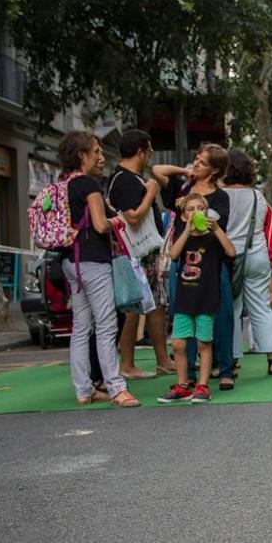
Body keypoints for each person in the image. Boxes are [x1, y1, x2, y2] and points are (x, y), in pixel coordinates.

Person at [56, 132, 138, 407]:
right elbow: (101, 225)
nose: (101, 158)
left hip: (70, 261)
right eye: (97, 152)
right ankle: (116, 387)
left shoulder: (62, 184)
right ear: (82, 155)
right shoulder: (89, 184)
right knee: (106, 325)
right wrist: (117, 221)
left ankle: (83, 389)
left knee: (81, 327)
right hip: (93, 260)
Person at [152, 144, 236, 389]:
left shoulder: (219, 197)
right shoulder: (183, 187)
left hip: (211, 261)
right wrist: (186, 172)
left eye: (202, 162)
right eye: (196, 160)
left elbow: (215, 228)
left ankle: (226, 367)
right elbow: (157, 169)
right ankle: (186, 371)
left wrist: (192, 209)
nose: (196, 164)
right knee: (181, 311)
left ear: (215, 170)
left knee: (221, 313)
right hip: (184, 262)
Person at [106, 129, 173, 380]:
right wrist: (150, 193)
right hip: (136, 253)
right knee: (134, 305)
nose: (150, 157)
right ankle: (127, 363)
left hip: (146, 252)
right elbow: (133, 217)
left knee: (156, 303)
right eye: (150, 151)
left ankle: (163, 359)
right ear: (140, 152)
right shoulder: (124, 179)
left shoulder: (129, 177)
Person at [224, 149, 272, 375]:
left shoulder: (221, 195)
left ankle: (234, 361)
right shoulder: (258, 196)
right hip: (258, 254)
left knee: (234, 309)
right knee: (262, 307)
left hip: (231, 256)